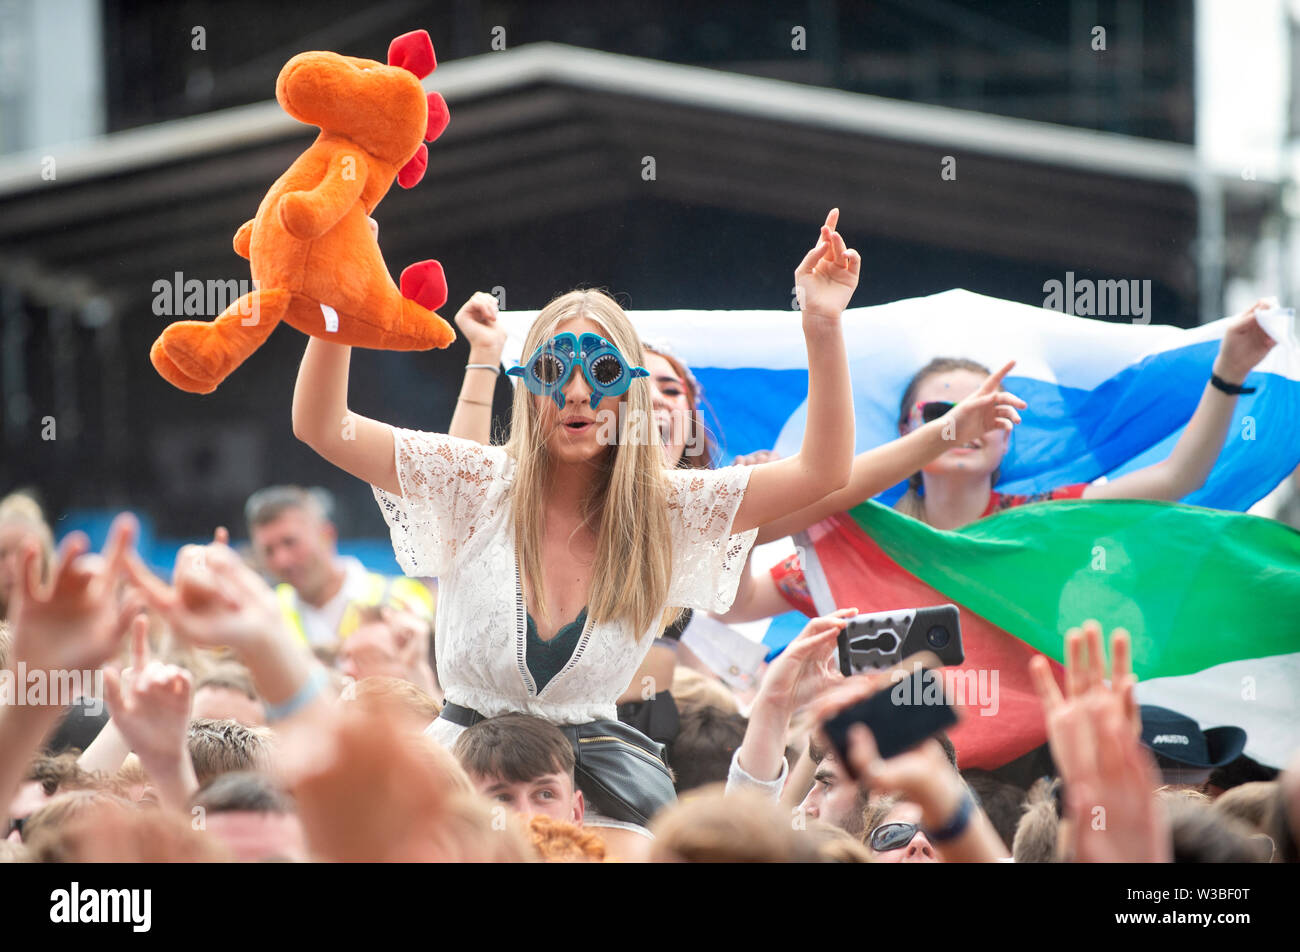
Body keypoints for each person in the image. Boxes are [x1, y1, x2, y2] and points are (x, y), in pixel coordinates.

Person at [291, 209, 861, 841]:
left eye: (605, 370)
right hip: (456, 797)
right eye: (552, 367)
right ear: (526, 384)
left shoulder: (669, 512)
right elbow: (321, 424)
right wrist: (338, 304)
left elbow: (824, 469)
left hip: (599, 804)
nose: (578, 390)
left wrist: (822, 322)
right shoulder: (475, 481)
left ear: (631, 392)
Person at [720, 298, 1279, 622]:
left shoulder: (1041, 520)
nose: (968, 423)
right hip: (878, 785)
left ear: (1007, 438)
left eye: (989, 412)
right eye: (946, 410)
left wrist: (1230, 368)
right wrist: (740, 507)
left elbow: (1178, 477)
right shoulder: (854, 541)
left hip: (1016, 777)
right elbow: (736, 605)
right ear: (907, 430)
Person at [444, 289, 724, 752]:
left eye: (670, 388)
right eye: (556, 371)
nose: (656, 397)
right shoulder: (515, 493)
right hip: (514, 742)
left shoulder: (706, 510)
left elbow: (824, 477)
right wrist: (484, 356)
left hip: (643, 736)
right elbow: (462, 478)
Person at [244, 485, 434, 650]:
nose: (282, 560)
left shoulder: (401, 596)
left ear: (327, 535)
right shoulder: (266, 612)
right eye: (268, 551)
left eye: (290, 542)